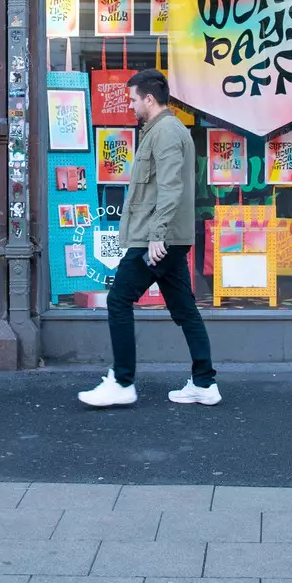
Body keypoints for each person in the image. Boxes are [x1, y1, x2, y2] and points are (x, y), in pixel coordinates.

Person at [79, 68, 219, 407]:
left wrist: (157, 236)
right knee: (184, 309)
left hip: (156, 239)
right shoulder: (162, 130)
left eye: (133, 100)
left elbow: (171, 186)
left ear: (149, 99)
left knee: (118, 300)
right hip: (165, 236)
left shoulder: (166, 132)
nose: (130, 106)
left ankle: (123, 382)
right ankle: (204, 383)